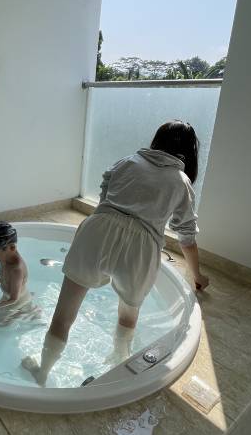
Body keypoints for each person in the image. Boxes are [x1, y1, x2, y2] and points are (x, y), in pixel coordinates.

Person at [22, 120, 210, 386]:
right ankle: (117, 370)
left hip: (97, 231)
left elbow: (104, 195)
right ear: (190, 152)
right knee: (128, 316)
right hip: (141, 249)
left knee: (63, 315)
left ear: (157, 140)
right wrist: (198, 276)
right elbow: (187, 237)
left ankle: (42, 373)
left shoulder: (127, 162)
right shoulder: (181, 182)